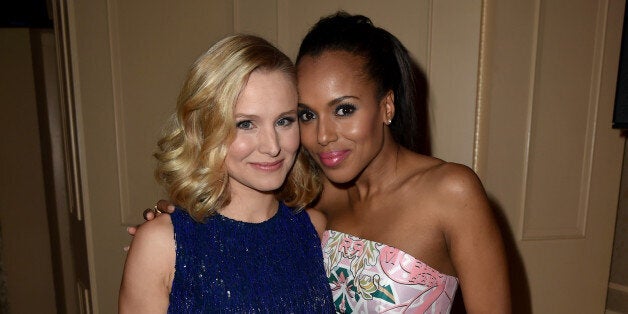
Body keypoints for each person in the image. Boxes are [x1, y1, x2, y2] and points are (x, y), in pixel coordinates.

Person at [144, 11, 511, 313]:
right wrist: (180, 227)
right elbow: (242, 235)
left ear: (387, 105)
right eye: (305, 115)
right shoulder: (311, 196)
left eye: (344, 109)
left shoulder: (451, 192)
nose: (322, 136)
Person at [119, 34, 335, 313]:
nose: (272, 147)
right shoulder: (161, 244)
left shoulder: (313, 228)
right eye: (245, 124)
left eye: (284, 121)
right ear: (206, 129)